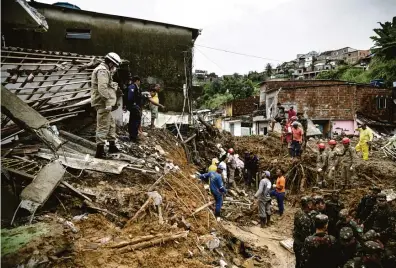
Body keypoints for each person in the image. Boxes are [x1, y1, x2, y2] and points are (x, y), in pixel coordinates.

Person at [91, 52, 121, 158]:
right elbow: (102, 88)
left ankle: (112, 146)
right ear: (111, 63)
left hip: (105, 103)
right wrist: (108, 102)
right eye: (115, 65)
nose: (115, 68)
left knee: (111, 124)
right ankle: (99, 151)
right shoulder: (102, 71)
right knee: (103, 126)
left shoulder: (105, 70)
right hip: (102, 103)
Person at [293, 196, 314, 268]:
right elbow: (307, 234)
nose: (312, 204)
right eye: (310, 203)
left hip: (297, 241)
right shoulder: (305, 218)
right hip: (301, 244)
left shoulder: (299, 212)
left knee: (298, 262)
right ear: (308, 204)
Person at [127, 76, 142, 142]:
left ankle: (133, 136)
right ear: (137, 81)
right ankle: (133, 136)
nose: (140, 83)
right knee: (135, 121)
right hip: (134, 106)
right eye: (139, 81)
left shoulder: (136, 87)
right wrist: (134, 104)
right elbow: (130, 97)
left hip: (134, 106)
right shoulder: (132, 87)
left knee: (134, 120)